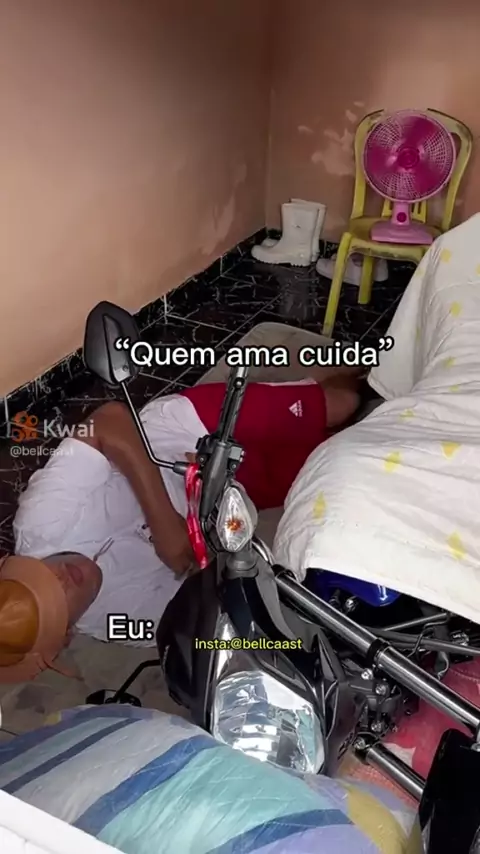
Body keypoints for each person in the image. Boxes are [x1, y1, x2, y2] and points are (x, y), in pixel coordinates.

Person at [0, 369, 361, 681]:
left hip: (184, 432)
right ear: (65, 635)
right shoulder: (118, 624)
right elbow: (208, 610)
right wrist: (208, 549)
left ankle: (359, 378)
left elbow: (108, 420)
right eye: (55, 599)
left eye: (39, 576)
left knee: (341, 404)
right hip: (229, 496)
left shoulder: (38, 520)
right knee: (342, 458)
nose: (60, 577)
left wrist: (164, 523)